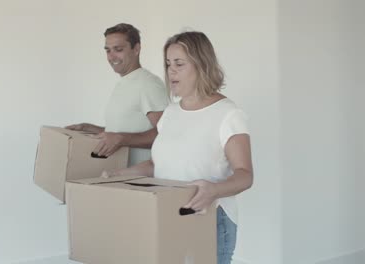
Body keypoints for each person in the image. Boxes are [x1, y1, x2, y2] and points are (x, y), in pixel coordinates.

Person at [102, 31, 253, 264]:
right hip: (168, 213)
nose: (171, 70)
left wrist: (214, 189)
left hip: (210, 218)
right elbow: (157, 164)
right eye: (168, 63)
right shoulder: (171, 112)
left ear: (202, 65)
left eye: (179, 64)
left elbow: (245, 175)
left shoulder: (228, 114)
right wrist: (116, 175)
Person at [66, 23, 168, 166]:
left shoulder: (148, 84)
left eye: (118, 49)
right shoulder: (124, 83)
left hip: (141, 180)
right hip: (120, 175)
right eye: (108, 50)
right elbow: (121, 133)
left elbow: (167, 134)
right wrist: (90, 129)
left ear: (136, 49)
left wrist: (121, 138)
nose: (111, 56)